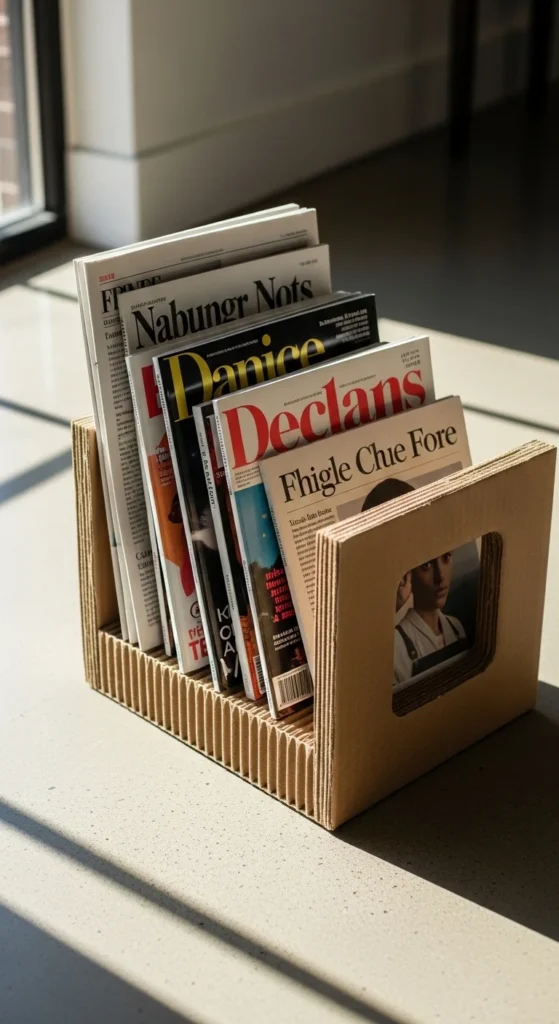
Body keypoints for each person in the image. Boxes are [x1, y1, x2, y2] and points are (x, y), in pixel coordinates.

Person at [394, 552, 466, 686]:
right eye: (426, 565)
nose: (441, 577)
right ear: (408, 575)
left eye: (446, 558)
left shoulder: (455, 626)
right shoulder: (397, 644)